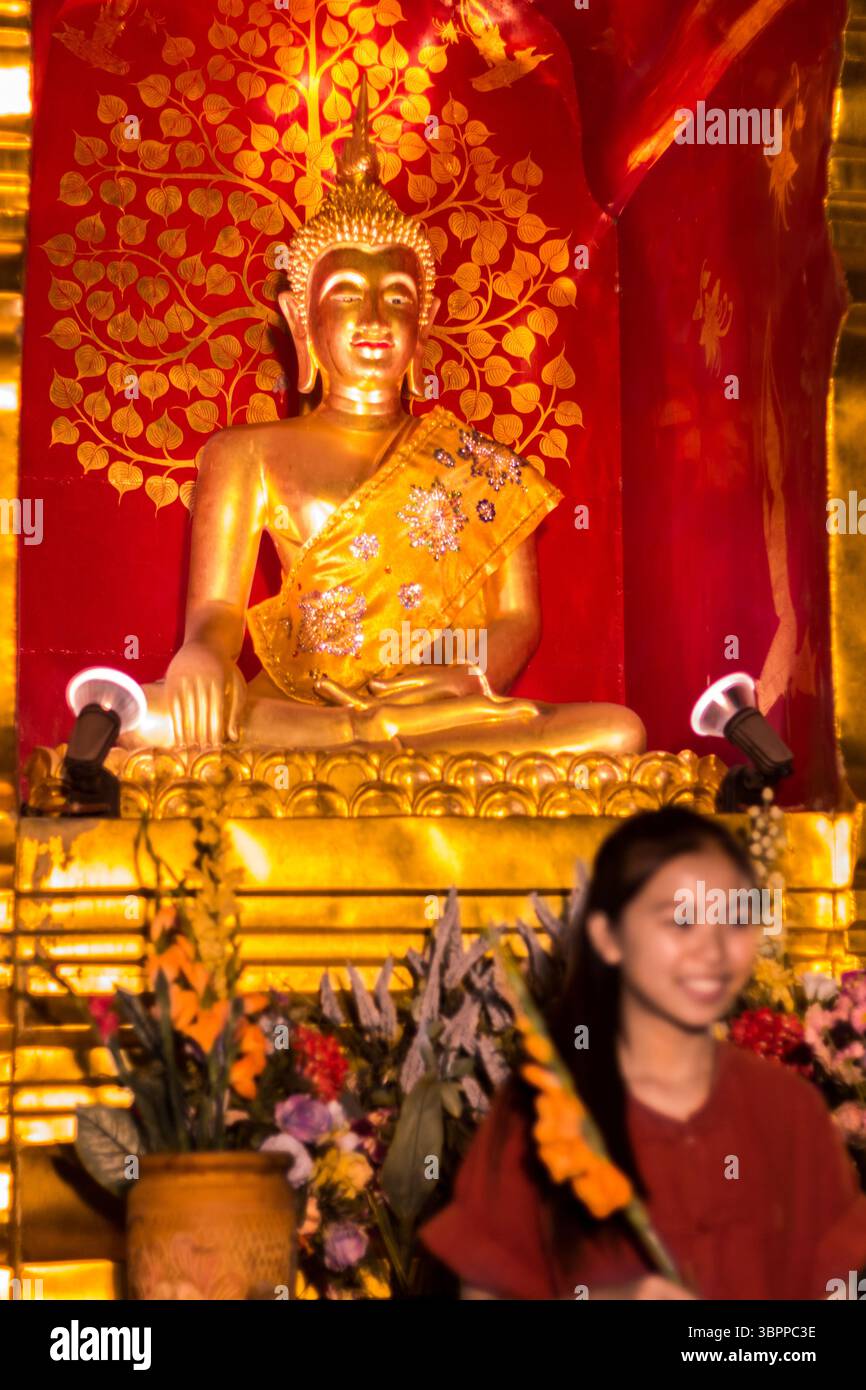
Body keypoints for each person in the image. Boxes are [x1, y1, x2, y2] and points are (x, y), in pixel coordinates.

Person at [421, 807, 866, 1299]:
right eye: (681, 919)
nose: (714, 949)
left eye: (734, 918)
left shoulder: (789, 1108)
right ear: (607, 938)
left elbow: (837, 1288)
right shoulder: (544, 1109)